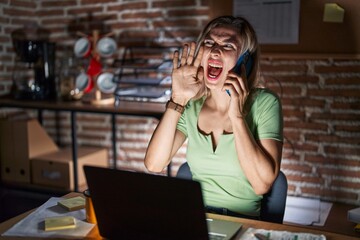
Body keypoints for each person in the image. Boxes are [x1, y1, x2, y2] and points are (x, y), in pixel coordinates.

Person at [144, 15, 283, 219]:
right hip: (194, 218)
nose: (215, 51)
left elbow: (261, 184)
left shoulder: (265, 103)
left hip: (242, 222)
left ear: (246, 60)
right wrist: (178, 99)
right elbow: (154, 164)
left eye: (227, 46)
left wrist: (236, 115)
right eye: (209, 43)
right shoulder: (192, 104)